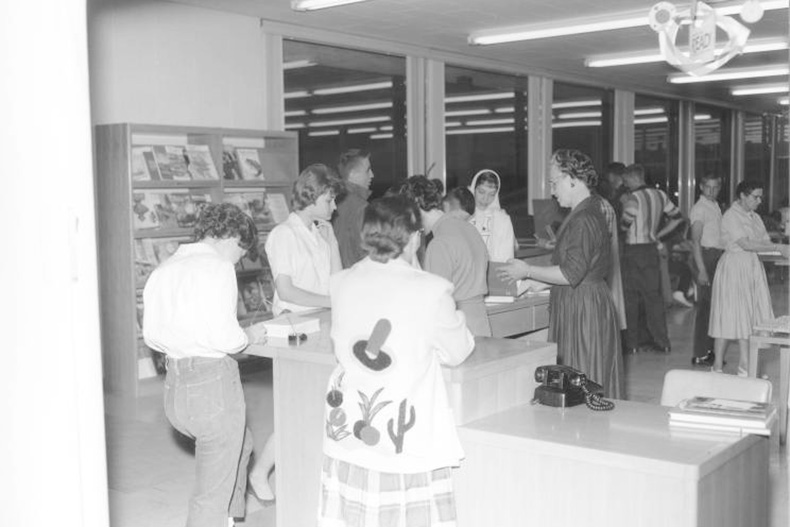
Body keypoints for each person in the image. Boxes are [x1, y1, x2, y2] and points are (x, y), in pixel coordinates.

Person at [319, 195, 475, 527]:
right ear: (414, 236)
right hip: (403, 434)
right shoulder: (430, 289)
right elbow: (457, 350)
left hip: (349, 426)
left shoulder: (341, 282)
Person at [142, 203, 269, 527]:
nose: (239, 261)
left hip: (176, 388)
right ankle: (220, 519)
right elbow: (228, 339)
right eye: (242, 252)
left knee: (243, 444)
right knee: (209, 496)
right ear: (232, 237)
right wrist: (251, 333)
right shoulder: (218, 267)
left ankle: (231, 519)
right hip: (213, 387)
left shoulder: (164, 267)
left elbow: (152, 337)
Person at [498, 149, 624, 399]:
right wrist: (540, 283)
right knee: (581, 374)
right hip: (582, 301)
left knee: (582, 374)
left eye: (555, 183)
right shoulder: (586, 212)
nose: (552, 191)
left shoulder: (584, 218)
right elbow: (580, 268)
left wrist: (527, 270)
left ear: (573, 179)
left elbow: (570, 274)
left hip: (583, 308)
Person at [709, 180, 790, 375]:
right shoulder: (730, 216)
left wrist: (780, 250)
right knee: (728, 314)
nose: (759, 200)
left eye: (760, 196)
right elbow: (746, 244)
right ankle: (718, 365)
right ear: (743, 196)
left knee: (749, 314)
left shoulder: (755, 217)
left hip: (752, 267)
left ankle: (746, 363)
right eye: (755, 196)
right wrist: (778, 247)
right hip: (734, 267)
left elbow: (763, 242)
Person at [400, 175, 492, 337]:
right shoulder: (469, 229)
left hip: (458, 328)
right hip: (481, 323)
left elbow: (435, 302)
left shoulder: (439, 243)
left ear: (415, 207)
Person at [619, 163, 683, 354]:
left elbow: (625, 224)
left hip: (633, 251)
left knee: (630, 297)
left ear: (633, 178)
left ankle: (632, 343)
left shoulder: (633, 198)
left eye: (626, 180)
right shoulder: (660, 195)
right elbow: (678, 218)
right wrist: (658, 234)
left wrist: (622, 209)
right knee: (653, 297)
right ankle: (662, 341)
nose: (625, 184)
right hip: (651, 250)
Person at [265, 163, 343, 316]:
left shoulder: (321, 234)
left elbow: (337, 286)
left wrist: (333, 245)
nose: (334, 207)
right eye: (329, 200)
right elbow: (285, 291)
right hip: (294, 326)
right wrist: (331, 301)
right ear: (311, 196)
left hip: (322, 318)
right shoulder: (283, 234)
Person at [689, 175, 724, 366]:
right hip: (704, 256)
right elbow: (695, 241)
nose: (711, 190)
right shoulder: (700, 208)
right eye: (708, 187)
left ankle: (709, 350)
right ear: (701, 187)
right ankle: (700, 352)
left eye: (715, 187)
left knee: (713, 307)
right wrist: (701, 270)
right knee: (704, 308)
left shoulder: (715, 206)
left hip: (715, 256)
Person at [332, 149, 374, 268]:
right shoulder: (362, 208)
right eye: (368, 171)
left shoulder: (332, 203)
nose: (372, 175)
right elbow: (367, 252)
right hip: (358, 277)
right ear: (353, 174)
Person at [468, 169, 517, 262]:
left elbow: (506, 258)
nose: (485, 199)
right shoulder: (462, 216)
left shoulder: (503, 220)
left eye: (491, 194)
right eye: (481, 192)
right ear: (473, 189)